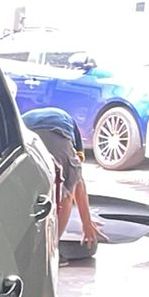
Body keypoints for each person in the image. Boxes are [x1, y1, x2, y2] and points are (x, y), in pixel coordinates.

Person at [21, 106, 101, 254]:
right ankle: (52, 249)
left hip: (25, 134)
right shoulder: (74, 137)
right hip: (55, 134)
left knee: (29, 187)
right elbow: (77, 181)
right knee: (66, 192)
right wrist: (86, 223)